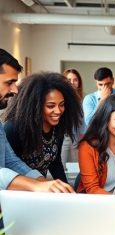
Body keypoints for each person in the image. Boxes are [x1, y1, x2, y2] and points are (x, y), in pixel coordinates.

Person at [0, 49, 74, 193]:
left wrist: (43, 182)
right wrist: (35, 185)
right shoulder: (12, 127)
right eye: (9, 82)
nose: (15, 90)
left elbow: (11, 161)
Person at [3, 72, 83, 184]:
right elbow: (9, 167)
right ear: (35, 106)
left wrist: (66, 191)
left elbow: (55, 162)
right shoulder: (13, 128)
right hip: (18, 192)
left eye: (62, 104)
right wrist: (40, 184)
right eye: (51, 106)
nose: (58, 111)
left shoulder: (58, 126)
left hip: (41, 189)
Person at [62, 68, 84, 166]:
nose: (72, 82)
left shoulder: (83, 99)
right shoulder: (59, 97)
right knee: (61, 166)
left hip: (78, 138)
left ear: (79, 82)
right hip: (62, 138)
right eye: (69, 80)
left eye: (75, 80)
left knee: (77, 168)